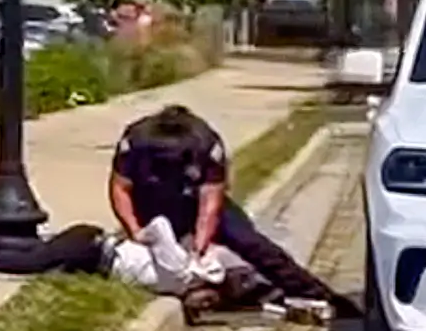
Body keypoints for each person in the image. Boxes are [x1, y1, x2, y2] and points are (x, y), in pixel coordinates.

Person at [107, 104, 360, 318]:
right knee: (157, 259)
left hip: (194, 201)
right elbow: (120, 189)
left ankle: (317, 295)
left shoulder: (206, 144)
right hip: (150, 205)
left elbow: (211, 199)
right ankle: (213, 291)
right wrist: (135, 231)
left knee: (251, 243)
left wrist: (200, 245)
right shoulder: (135, 142)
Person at [0, 216, 279, 320]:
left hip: (92, 249)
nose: (205, 303)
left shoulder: (185, 281)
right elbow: (160, 226)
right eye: (213, 299)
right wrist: (139, 236)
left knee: (35, 250)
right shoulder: (181, 272)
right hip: (94, 249)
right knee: (32, 262)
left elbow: (193, 305)